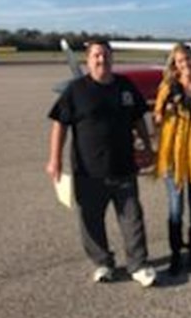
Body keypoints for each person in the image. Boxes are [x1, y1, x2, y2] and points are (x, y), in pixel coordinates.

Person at [45, 41, 157, 288]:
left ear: (112, 58)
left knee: (132, 219)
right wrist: (54, 159)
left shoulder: (125, 86)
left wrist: (148, 148)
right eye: (96, 55)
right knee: (90, 220)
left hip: (124, 167)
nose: (101, 59)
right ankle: (103, 263)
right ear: (88, 60)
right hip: (88, 171)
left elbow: (138, 119)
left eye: (105, 55)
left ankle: (138, 265)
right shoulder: (76, 90)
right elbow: (60, 124)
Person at [154, 43, 191, 276]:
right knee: (176, 207)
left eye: (188, 59)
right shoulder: (168, 86)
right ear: (175, 65)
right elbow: (157, 118)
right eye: (180, 61)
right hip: (173, 155)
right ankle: (176, 255)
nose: (185, 64)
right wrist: (168, 105)